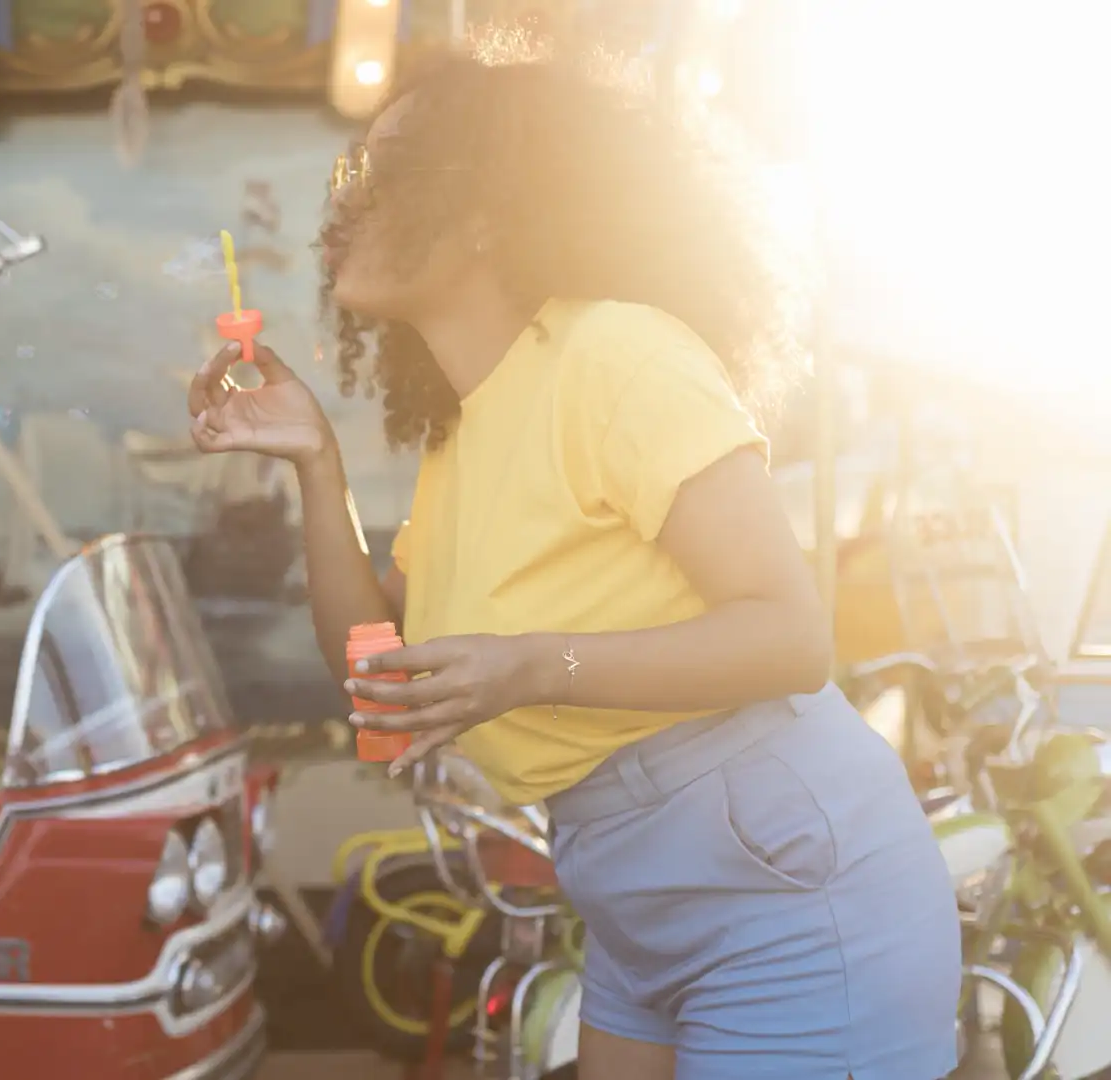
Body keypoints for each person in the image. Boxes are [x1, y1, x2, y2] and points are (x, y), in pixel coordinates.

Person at [187, 49, 959, 1080]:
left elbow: (791, 636)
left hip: (788, 888)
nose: (348, 201)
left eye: (384, 172)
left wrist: (528, 667)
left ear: (484, 212)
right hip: (627, 883)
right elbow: (376, 668)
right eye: (348, 174)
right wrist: (315, 463)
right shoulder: (466, 432)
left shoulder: (616, 354)